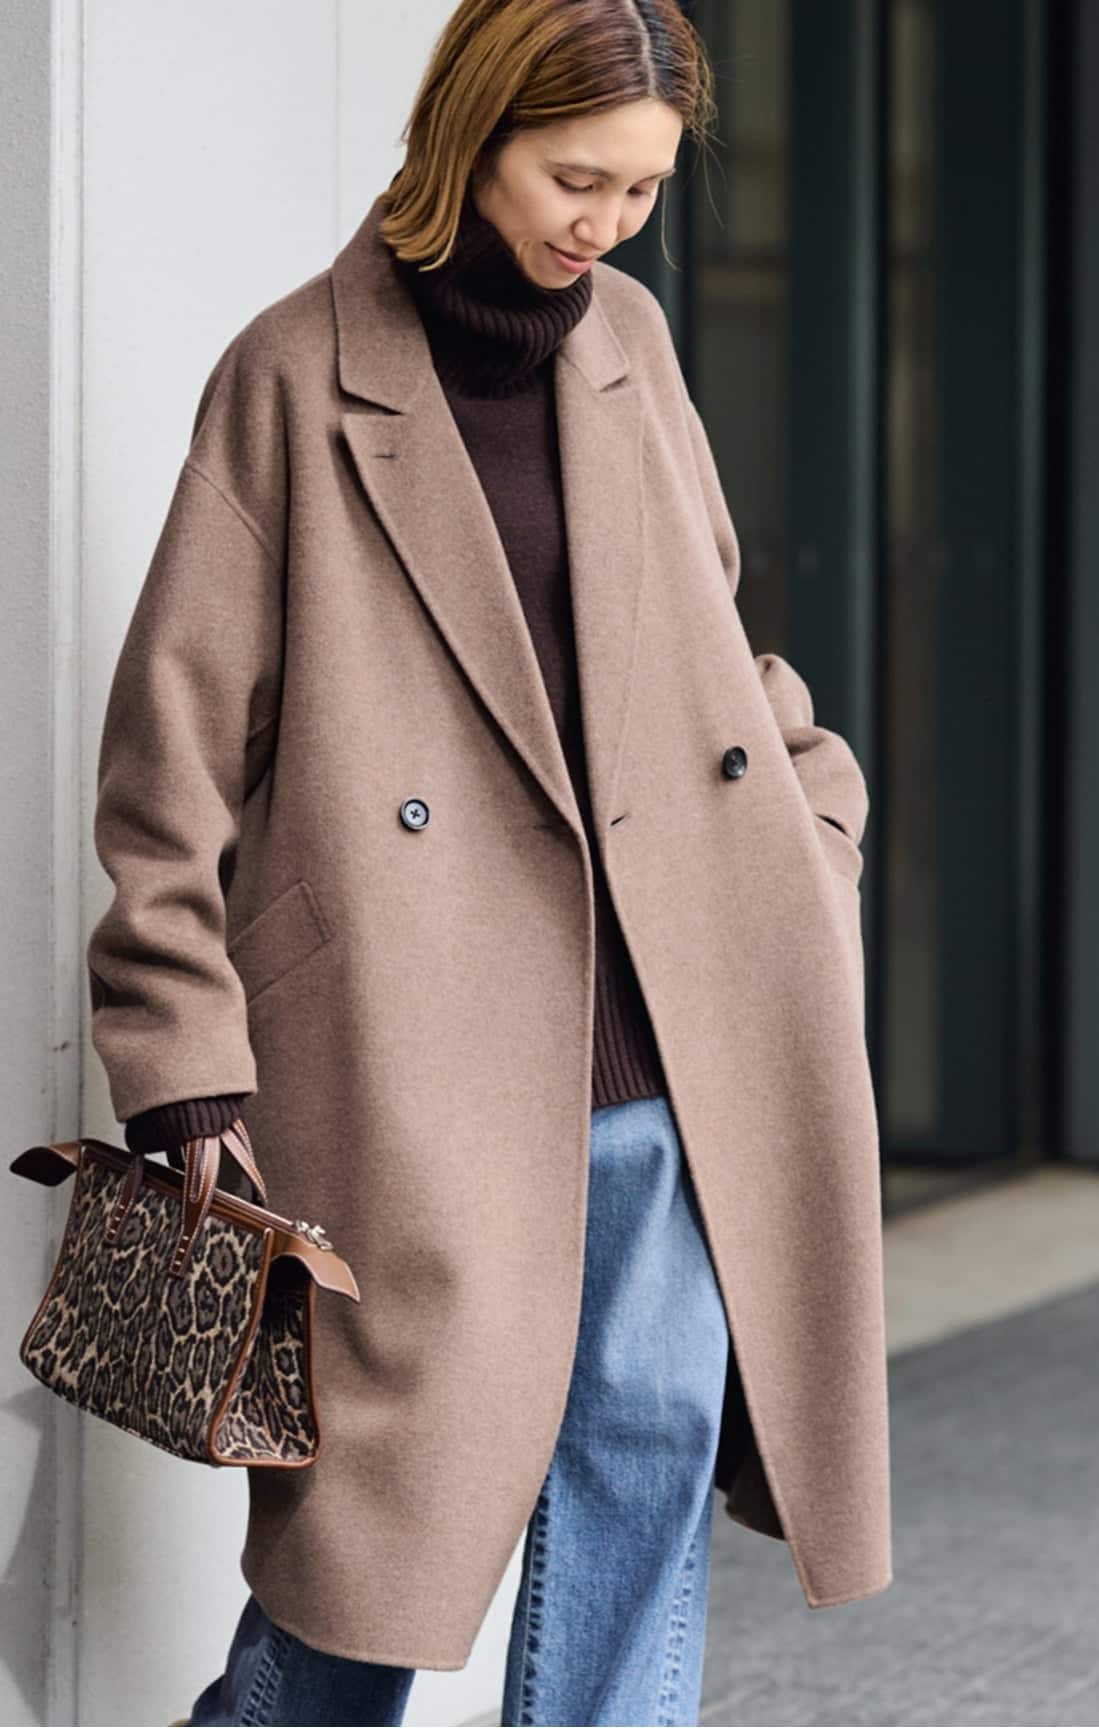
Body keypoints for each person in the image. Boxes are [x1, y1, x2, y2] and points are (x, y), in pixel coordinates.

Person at [88, 2, 893, 1724]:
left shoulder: (632, 343)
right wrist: (178, 1055)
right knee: (374, 1547)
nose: (606, 223)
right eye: (576, 177)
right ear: (473, 133)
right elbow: (171, 757)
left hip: (668, 1032)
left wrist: (808, 821)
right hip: (415, 1053)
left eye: (644, 189)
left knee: (643, 1471)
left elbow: (702, 630)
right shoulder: (294, 374)